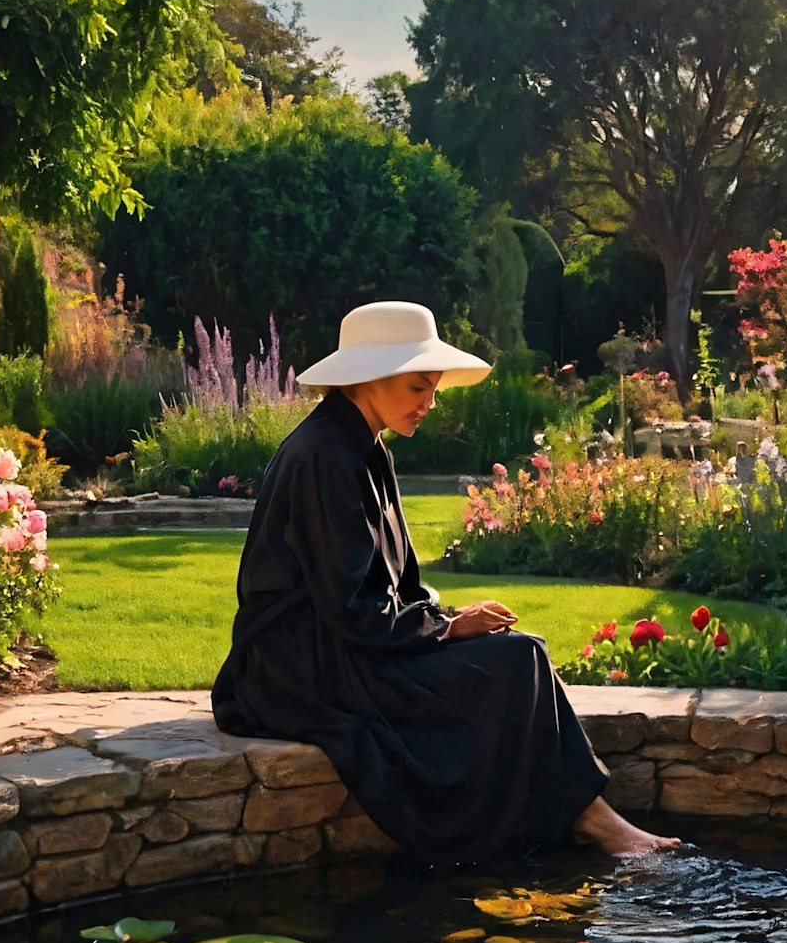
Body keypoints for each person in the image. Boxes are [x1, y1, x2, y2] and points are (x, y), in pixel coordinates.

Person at [212, 301, 678, 867]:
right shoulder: (324, 457)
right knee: (516, 661)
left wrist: (448, 617)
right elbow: (351, 607)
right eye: (416, 387)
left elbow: (395, 584)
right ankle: (589, 820)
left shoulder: (365, 446)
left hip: (348, 644)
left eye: (431, 389)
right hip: (305, 668)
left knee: (520, 654)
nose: (429, 404)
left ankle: (588, 816)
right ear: (368, 379)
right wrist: (448, 628)